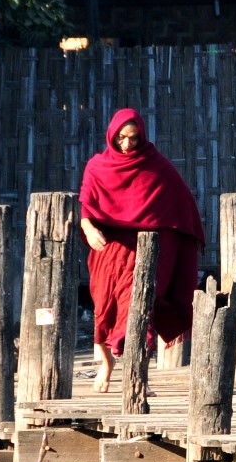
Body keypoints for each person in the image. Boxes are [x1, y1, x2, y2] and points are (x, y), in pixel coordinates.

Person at [78, 107, 204, 392]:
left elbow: (182, 204)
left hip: (143, 252)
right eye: (121, 138)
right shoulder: (98, 166)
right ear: (112, 136)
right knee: (105, 310)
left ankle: (139, 379)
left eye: (133, 138)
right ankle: (107, 366)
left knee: (139, 310)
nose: (127, 145)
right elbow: (87, 203)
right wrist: (88, 228)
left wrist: (169, 243)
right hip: (109, 249)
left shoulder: (155, 165)